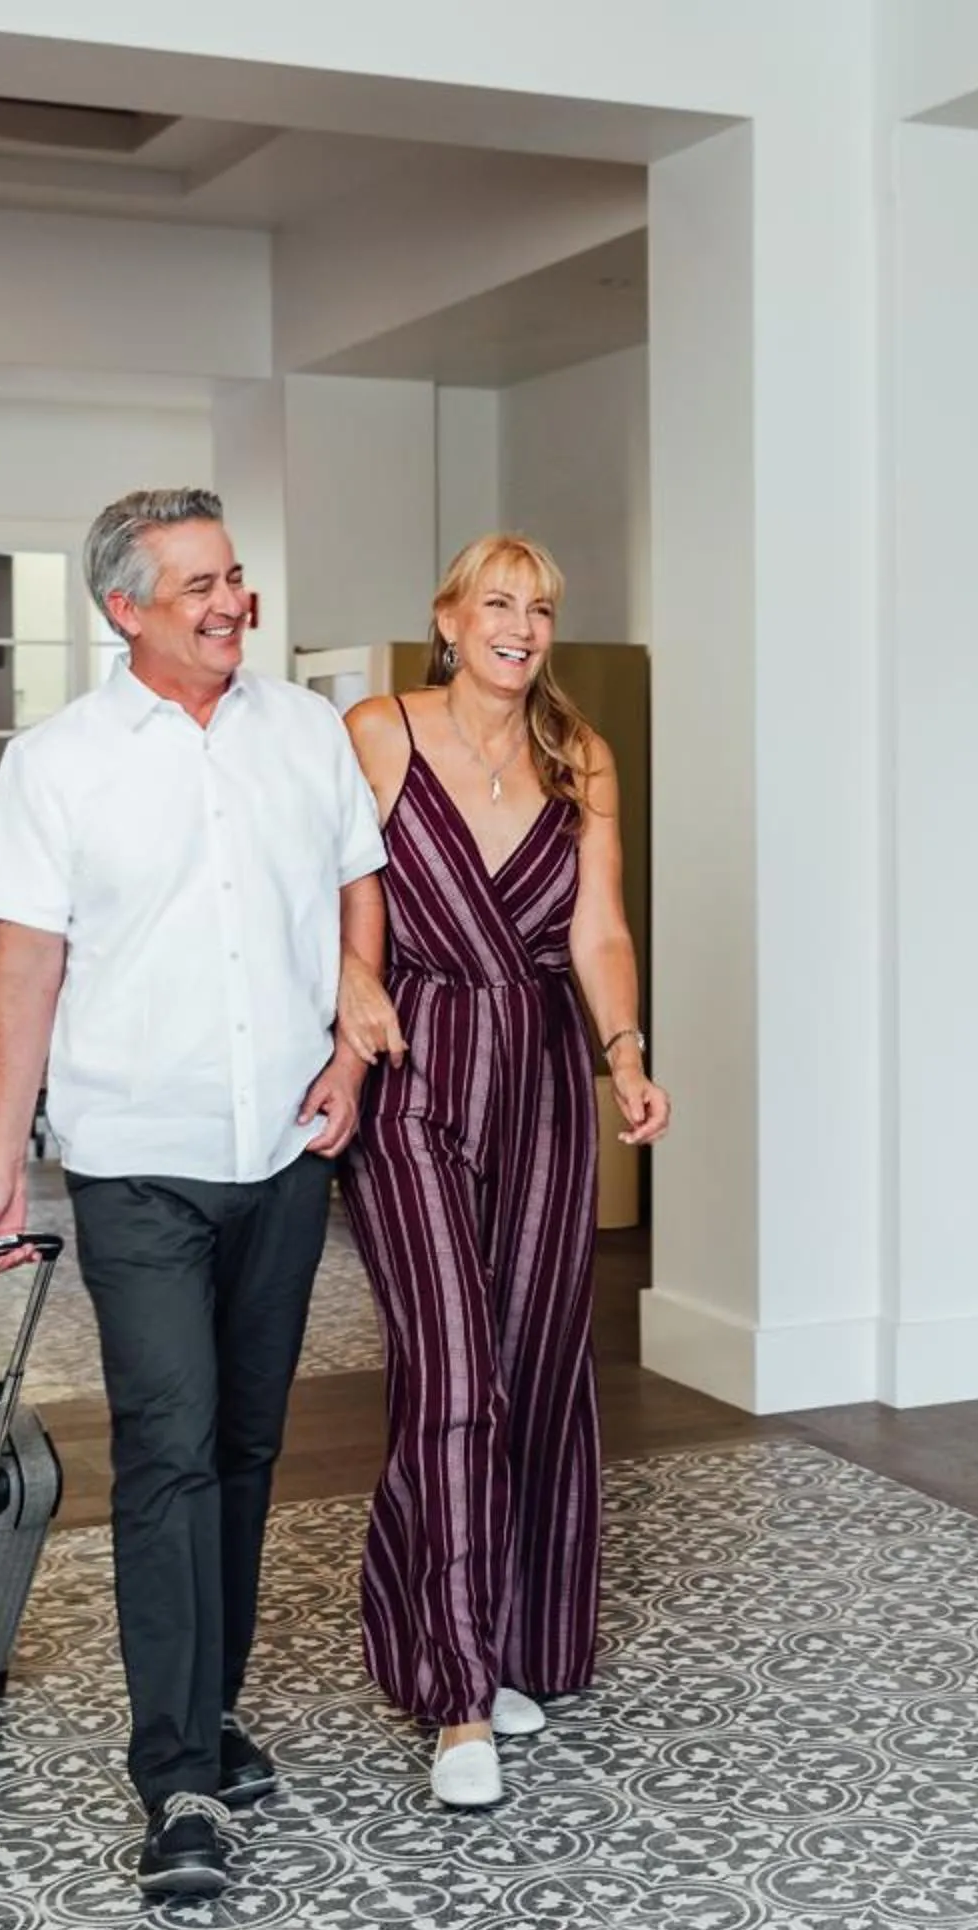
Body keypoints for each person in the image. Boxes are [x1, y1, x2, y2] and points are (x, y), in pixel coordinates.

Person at [0, 487, 398, 1899]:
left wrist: (350, 1049)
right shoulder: (63, 763)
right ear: (125, 609)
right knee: (171, 1446)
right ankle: (177, 1780)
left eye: (236, 577)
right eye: (198, 584)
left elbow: (354, 886)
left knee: (252, 1449)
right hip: (135, 1157)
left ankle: (209, 1711)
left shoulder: (301, 732)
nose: (230, 603)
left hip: (278, 1148)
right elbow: (23, 968)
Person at [340, 532, 670, 1808]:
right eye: (498, 602)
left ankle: (507, 1638)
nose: (521, 625)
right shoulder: (376, 729)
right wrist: (349, 977)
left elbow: (599, 926)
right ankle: (458, 1694)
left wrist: (626, 1052)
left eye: (540, 605)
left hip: (539, 1077)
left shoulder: (580, 756)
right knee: (454, 1368)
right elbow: (314, 888)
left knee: (534, 1366)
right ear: (447, 616)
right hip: (416, 1071)